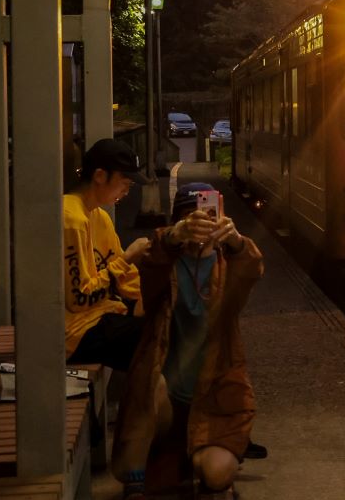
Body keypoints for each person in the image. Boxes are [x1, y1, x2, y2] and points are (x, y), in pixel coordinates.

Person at [112, 182, 264, 500]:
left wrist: (235, 239)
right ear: (178, 220)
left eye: (209, 214)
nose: (201, 223)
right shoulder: (165, 264)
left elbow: (252, 268)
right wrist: (174, 235)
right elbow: (152, 259)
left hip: (215, 401)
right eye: (190, 217)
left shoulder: (228, 266)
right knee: (151, 383)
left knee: (215, 473)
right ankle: (138, 484)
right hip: (167, 403)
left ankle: (206, 458)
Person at [64, 138, 150, 371]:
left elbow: (125, 277)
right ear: (100, 176)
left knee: (170, 322)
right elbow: (79, 299)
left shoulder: (99, 216)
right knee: (153, 339)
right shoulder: (71, 219)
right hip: (74, 332)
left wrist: (154, 298)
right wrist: (129, 257)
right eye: (125, 183)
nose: (126, 192)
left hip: (100, 316)